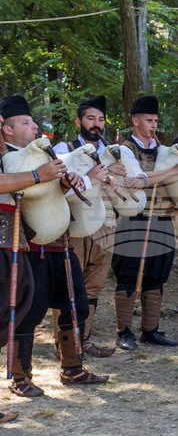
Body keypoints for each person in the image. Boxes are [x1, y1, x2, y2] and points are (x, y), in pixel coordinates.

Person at [1, 95, 109, 397]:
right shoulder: (4, 158)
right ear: (7, 129)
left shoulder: (43, 154)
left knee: (75, 304)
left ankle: (72, 368)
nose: (35, 126)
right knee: (29, 310)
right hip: (26, 246)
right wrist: (39, 176)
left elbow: (52, 193)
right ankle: (21, 377)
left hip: (61, 244)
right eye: (26, 122)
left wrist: (64, 182)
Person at [113, 95, 178, 351]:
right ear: (135, 121)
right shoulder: (124, 149)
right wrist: (174, 171)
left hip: (163, 218)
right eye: (149, 120)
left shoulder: (165, 151)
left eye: (156, 120)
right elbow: (135, 180)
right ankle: (124, 331)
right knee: (130, 273)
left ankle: (150, 330)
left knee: (156, 274)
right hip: (135, 219)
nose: (154, 125)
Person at [53, 95, 140, 358]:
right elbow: (57, 187)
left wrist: (121, 175)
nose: (96, 124)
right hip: (73, 225)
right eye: (91, 118)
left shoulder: (115, 151)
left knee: (94, 285)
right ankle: (64, 345)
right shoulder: (62, 149)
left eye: (100, 119)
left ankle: (84, 340)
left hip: (106, 224)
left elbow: (131, 183)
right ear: (78, 121)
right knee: (69, 285)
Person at [0, 106, 68, 416]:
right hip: (6, 241)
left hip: (11, 241)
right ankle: (19, 375)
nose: (2, 128)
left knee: (15, 306)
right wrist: (39, 175)